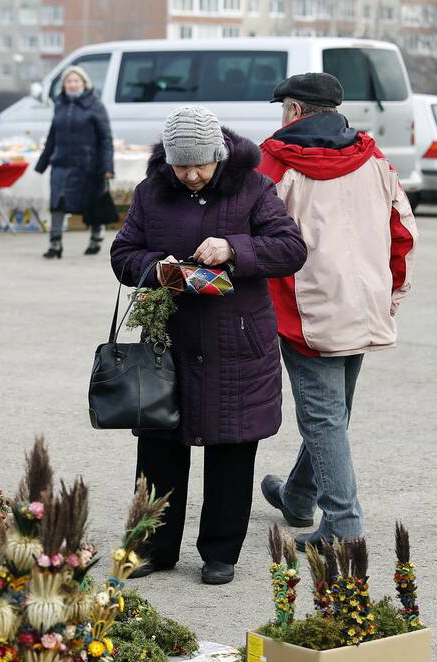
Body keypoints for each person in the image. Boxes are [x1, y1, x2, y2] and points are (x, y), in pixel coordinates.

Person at [110, 106, 306, 585]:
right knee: (160, 447)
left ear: (220, 155)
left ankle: (221, 553)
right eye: (182, 165)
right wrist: (156, 269)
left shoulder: (254, 188)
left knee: (232, 450)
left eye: (201, 164)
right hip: (169, 344)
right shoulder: (150, 193)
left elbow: (291, 248)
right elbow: (123, 253)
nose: (192, 174)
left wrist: (234, 248)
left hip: (236, 344)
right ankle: (153, 547)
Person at [257, 73, 417, 548]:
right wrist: (391, 295)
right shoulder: (374, 159)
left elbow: (255, 234)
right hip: (364, 303)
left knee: (323, 417)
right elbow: (403, 230)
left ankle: (344, 527)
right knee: (332, 413)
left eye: (283, 107)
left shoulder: (274, 161)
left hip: (306, 311)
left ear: (296, 112)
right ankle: (299, 497)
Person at [35, 65, 114, 259]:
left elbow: (106, 139)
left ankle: (96, 238)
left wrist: (107, 167)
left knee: (92, 203)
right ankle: (55, 244)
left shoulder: (95, 105)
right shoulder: (59, 105)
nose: (72, 84)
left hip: (88, 165)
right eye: (68, 81)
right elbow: (53, 136)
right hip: (61, 163)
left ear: (84, 83)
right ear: (64, 85)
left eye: (76, 81)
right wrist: (42, 163)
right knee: (58, 203)